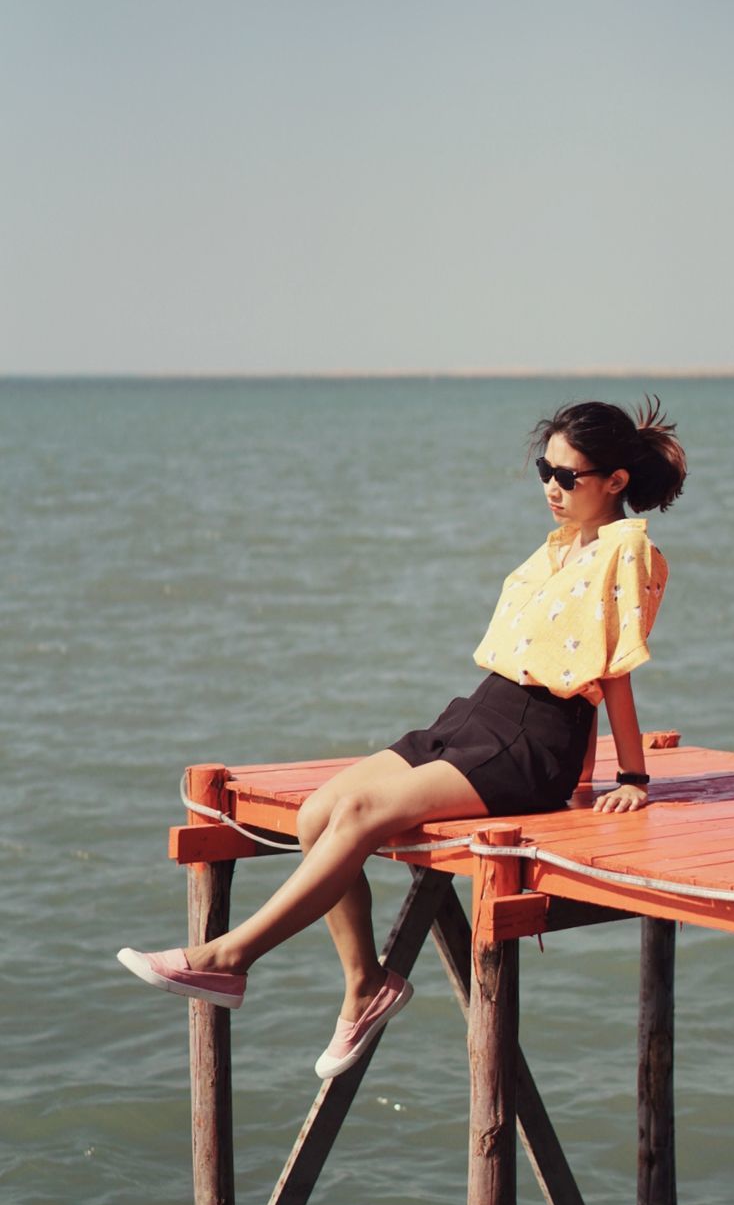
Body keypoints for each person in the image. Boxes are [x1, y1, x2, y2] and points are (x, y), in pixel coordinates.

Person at [118, 396, 687, 1079]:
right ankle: (367, 983)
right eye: (545, 470)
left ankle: (226, 959)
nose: (551, 489)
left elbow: (612, 671)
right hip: (475, 716)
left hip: (532, 739)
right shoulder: (563, 546)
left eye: (569, 477)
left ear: (616, 482)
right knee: (319, 811)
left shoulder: (629, 551)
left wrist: (630, 778)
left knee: (361, 816)